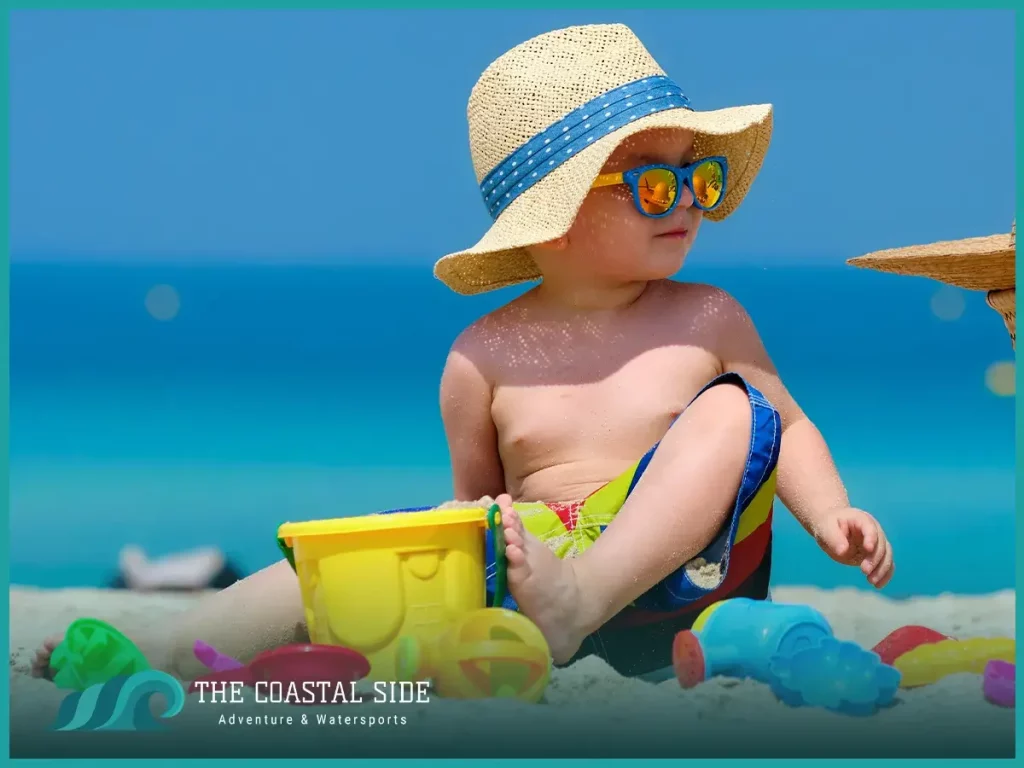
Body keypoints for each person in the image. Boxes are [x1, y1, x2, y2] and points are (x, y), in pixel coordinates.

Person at [34, 23, 893, 684]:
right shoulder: (482, 356)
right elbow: (479, 509)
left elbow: (789, 427)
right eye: (655, 186)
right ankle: (151, 652)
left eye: (697, 179)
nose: (688, 205)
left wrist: (829, 514)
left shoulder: (709, 317)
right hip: (539, 581)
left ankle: (583, 597)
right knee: (324, 569)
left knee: (736, 413)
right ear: (552, 217)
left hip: (683, 590)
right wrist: (464, 574)